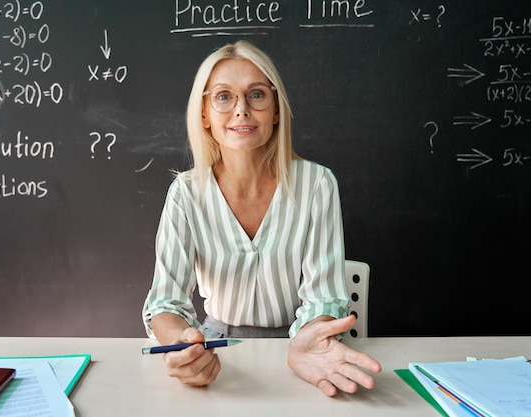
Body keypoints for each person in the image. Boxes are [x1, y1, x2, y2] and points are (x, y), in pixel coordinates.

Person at [142, 40, 381, 396]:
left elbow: (324, 297)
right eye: (223, 96)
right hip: (214, 354)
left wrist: (308, 342)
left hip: (300, 349)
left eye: (256, 95)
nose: (241, 110)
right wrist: (182, 345)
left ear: (276, 111)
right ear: (204, 113)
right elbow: (164, 303)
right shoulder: (186, 193)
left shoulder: (317, 184)